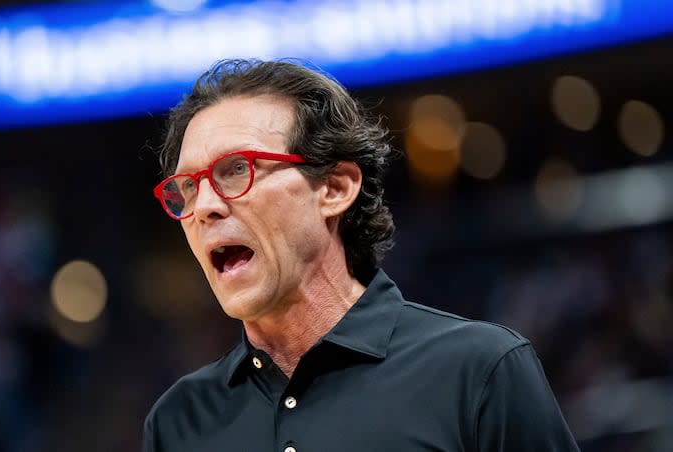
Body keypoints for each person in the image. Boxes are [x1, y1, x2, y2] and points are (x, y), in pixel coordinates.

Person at [144, 58, 579, 452]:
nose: (202, 207)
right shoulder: (177, 421)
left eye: (237, 169)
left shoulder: (478, 370)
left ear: (334, 188)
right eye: (187, 187)